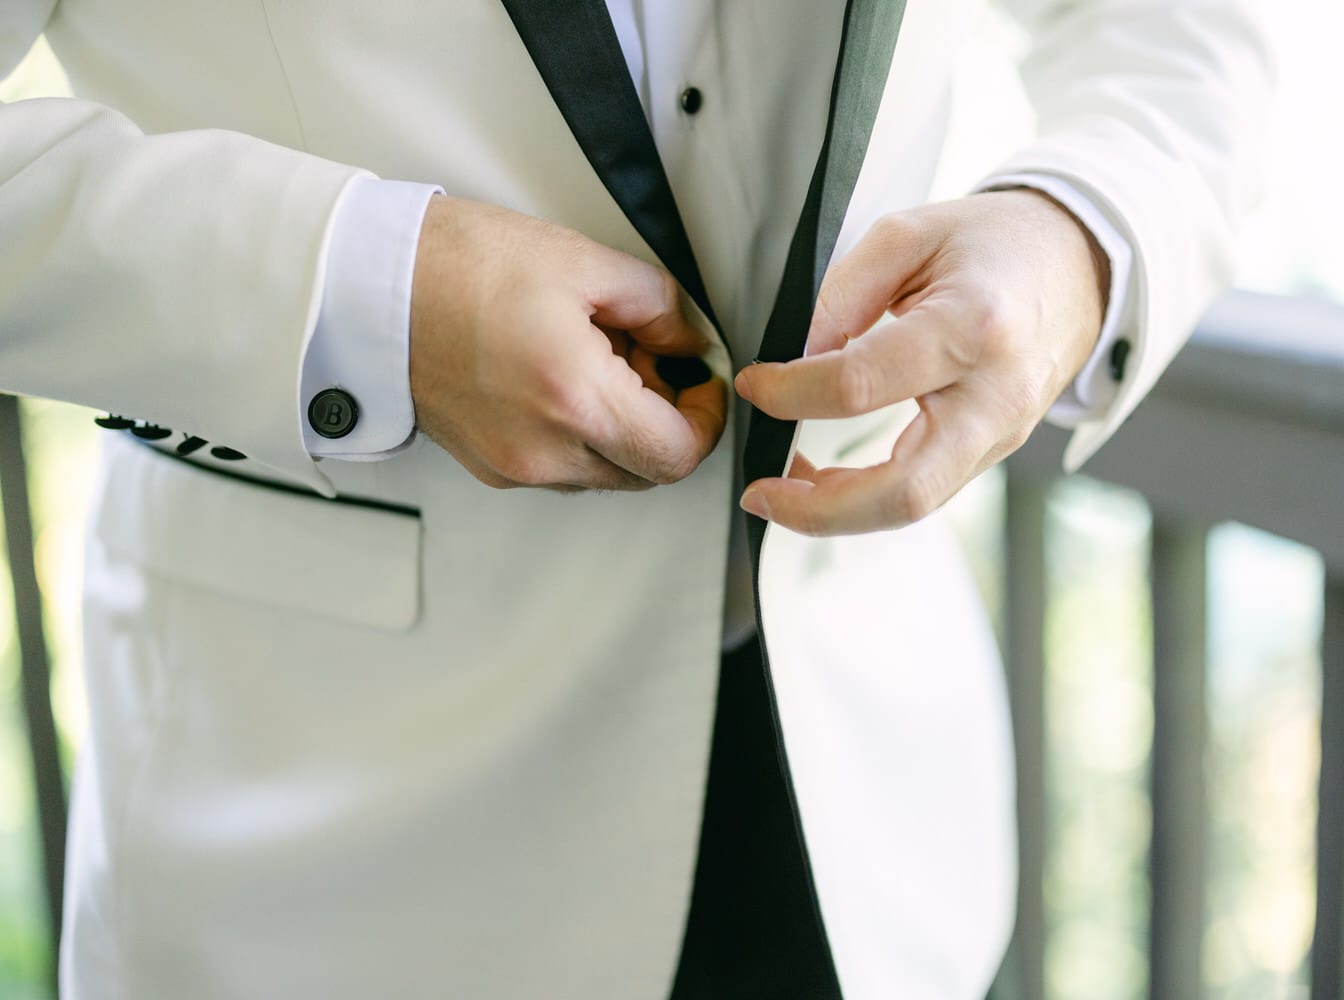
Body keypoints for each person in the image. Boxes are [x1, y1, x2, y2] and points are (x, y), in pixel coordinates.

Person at [0, 0, 1269, 996]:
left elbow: (1180, 24)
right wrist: (371, 293)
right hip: (333, 862)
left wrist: (1078, 229)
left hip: (872, 839)